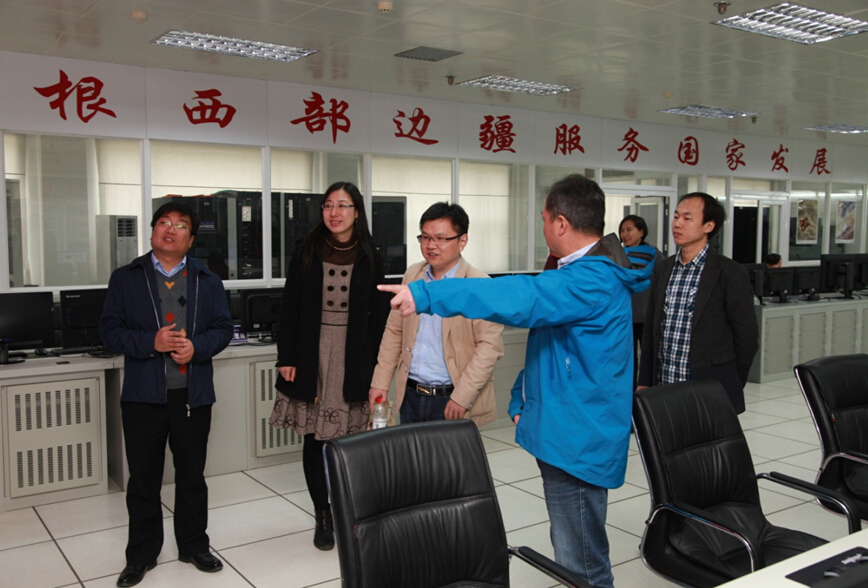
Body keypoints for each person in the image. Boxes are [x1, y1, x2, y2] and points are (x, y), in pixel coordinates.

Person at [378, 174, 651, 588]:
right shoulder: (584, 272)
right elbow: (555, 346)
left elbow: (521, 297)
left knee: (583, 564)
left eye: (544, 219)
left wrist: (428, 296)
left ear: (561, 223)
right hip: (565, 429)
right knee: (572, 550)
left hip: (577, 440)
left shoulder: (589, 279)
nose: (543, 227)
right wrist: (523, 400)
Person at [100, 202, 233, 587]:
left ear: (190, 239)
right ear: (152, 231)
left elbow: (223, 329)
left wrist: (198, 348)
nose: (170, 229)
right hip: (143, 397)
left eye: (180, 225)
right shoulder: (127, 278)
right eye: (163, 222)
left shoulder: (207, 280)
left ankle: (194, 545)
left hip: (192, 396)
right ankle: (141, 554)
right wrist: (150, 342)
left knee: (192, 476)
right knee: (143, 480)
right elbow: (109, 331)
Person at [269, 181, 388, 551]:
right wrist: (287, 356)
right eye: (328, 205)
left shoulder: (371, 254)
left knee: (352, 441)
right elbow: (289, 305)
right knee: (314, 438)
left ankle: (349, 511)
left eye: (343, 205)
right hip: (311, 352)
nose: (334, 213)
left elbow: (380, 316)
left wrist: (381, 368)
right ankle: (322, 515)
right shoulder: (306, 250)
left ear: (357, 212)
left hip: (355, 354)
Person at [368, 202, 504, 426]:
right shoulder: (413, 275)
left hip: (452, 398)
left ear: (462, 241)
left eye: (441, 238)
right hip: (411, 395)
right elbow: (394, 331)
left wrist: (462, 397)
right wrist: (380, 381)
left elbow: (489, 348)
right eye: (425, 237)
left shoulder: (479, 285)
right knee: (409, 450)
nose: (431, 245)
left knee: (451, 452)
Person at [637, 192, 759, 413]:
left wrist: (730, 381)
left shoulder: (730, 273)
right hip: (664, 386)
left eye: (687, 218)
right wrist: (645, 380)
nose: (677, 224)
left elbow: (747, 338)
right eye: (676, 217)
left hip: (709, 390)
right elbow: (651, 331)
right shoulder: (664, 268)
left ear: (708, 226)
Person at [619, 214, 663, 386]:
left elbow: (662, 281)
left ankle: (648, 392)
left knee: (648, 357)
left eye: (629, 230)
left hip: (647, 315)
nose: (625, 234)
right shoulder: (617, 255)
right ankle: (628, 392)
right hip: (625, 315)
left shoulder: (654, 255)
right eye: (622, 230)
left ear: (641, 232)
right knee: (627, 358)